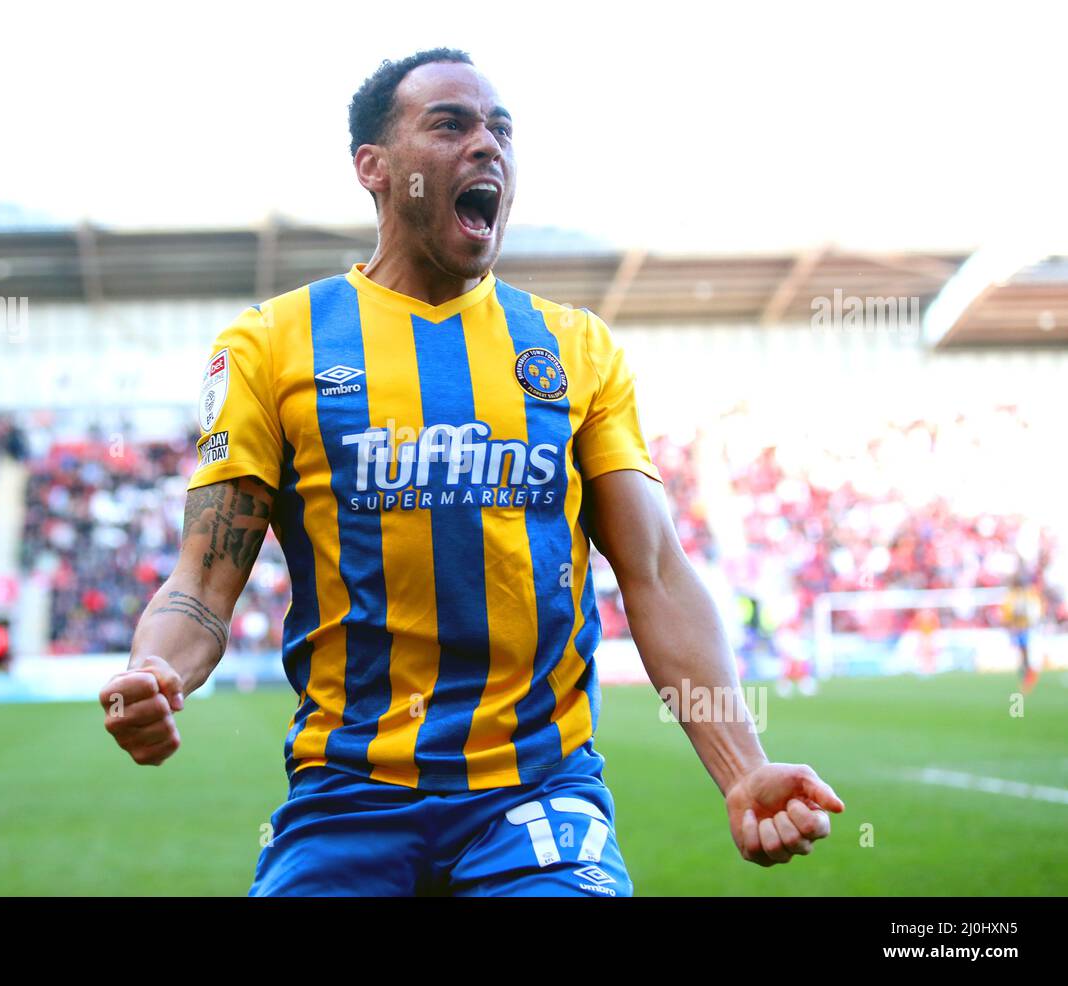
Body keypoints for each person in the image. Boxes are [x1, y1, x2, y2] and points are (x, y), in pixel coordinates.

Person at [99, 48, 843, 896]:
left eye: (502, 130)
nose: (487, 145)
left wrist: (741, 767)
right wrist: (156, 671)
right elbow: (200, 584)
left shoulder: (575, 347)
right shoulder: (274, 344)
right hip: (347, 798)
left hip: (536, 798)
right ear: (373, 168)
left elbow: (658, 573)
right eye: (450, 124)